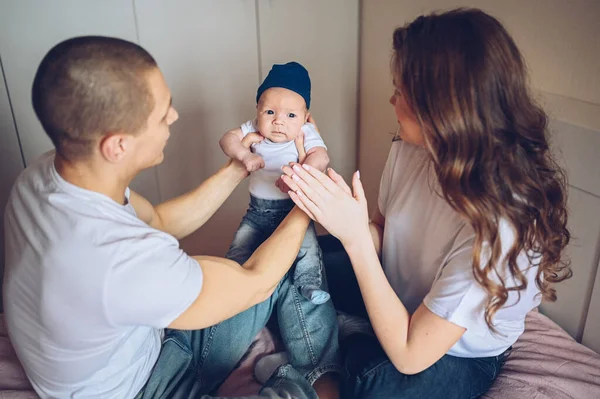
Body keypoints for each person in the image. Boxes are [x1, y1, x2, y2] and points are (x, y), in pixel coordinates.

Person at [2, 35, 335, 399]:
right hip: (145, 387)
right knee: (281, 268)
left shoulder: (43, 177)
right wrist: (307, 195)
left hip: (148, 341)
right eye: (163, 113)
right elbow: (255, 282)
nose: (174, 116)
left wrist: (238, 167)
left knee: (285, 257)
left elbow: (156, 219)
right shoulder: (116, 258)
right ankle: (303, 381)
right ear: (118, 146)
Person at [281, 8, 572, 399]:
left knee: (376, 384)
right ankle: (345, 332)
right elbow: (384, 231)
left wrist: (353, 240)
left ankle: (340, 343)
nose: (391, 99)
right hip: (400, 294)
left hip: (454, 350)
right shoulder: (412, 149)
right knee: (289, 267)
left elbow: (409, 355)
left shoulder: (499, 229)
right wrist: (339, 219)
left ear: (441, 111)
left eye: (399, 91)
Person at [219, 61, 341, 386]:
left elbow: (320, 157)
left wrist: (300, 175)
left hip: (292, 209)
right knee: (241, 248)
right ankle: (232, 284)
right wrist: (243, 157)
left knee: (308, 251)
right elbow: (228, 139)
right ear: (257, 111)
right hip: (258, 211)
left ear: (305, 117)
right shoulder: (253, 132)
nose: (278, 122)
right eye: (270, 112)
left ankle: (310, 286)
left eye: (290, 115)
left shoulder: (305, 133)